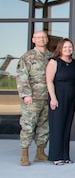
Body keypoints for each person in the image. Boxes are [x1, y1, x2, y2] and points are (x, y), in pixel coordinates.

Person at [16, 30, 51, 166]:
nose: (41, 39)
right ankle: (24, 154)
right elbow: (21, 77)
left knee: (44, 127)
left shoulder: (50, 56)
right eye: (38, 37)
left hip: (47, 98)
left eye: (44, 37)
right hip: (32, 99)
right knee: (28, 126)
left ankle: (40, 153)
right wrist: (26, 95)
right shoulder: (27, 57)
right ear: (33, 39)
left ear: (47, 39)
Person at [46, 38, 75, 165]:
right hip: (58, 96)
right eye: (65, 47)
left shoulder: (74, 63)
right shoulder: (54, 62)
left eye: (70, 47)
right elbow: (49, 81)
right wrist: (53, 98)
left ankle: (65, 155)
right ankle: (56, 156)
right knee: (57, 126)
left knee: (67, 126)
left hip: (71, 97)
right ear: (60, 48)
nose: (68, 49)